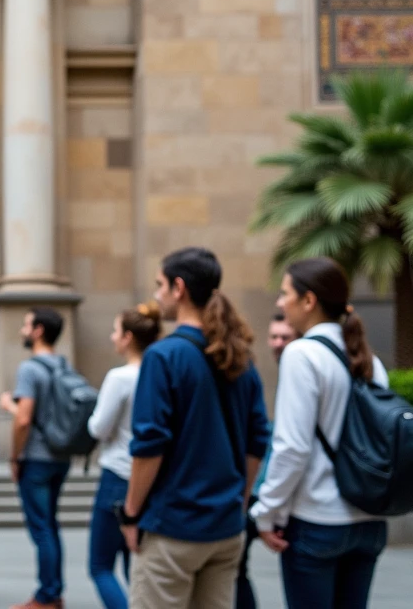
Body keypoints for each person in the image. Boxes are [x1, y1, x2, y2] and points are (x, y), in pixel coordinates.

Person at [118, 247, 270, 609]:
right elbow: (257, 440)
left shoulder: (163, 356)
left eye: (160, 285)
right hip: (226, 528)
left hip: (173, 527)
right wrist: (239, 499)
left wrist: (131, 513)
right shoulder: (238, 355)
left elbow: (149, 445)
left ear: (179, 287)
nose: (156, 295)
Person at [250, 257, 390, 609]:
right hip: (369, 520)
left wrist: (266, 513)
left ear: (309, 300)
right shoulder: (370, 359)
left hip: (318, 520)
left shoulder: (302, 354)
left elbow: (291, 447)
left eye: (285, 294)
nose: (281, 303)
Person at [85, 302, 162, 609]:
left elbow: (99, 428)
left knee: (100, 565)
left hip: (118, 475)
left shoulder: (120, 377)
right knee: (137, 564)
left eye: (116, 331)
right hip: (151, 477)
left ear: (128, 337)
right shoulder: (160, 373)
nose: (112, 337)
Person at [0, 308, 72, 609]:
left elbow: (24, 420)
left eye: (26, 325)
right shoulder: (63, 365)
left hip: (37, 458)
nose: (22, 330)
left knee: (41, 528)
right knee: (50, 525)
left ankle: (46, 595)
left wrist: (15, 456)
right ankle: (54, 592)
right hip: (60, 456)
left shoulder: (29, 369)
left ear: (39, 330)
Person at [235, 312, 296, 609]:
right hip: (263, 493)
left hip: (283, 499)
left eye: (285, 337)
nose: (278, 343)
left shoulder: (304, 365)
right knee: (236, 572)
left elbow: (292, 448)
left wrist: (266, 510)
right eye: (274, 336)